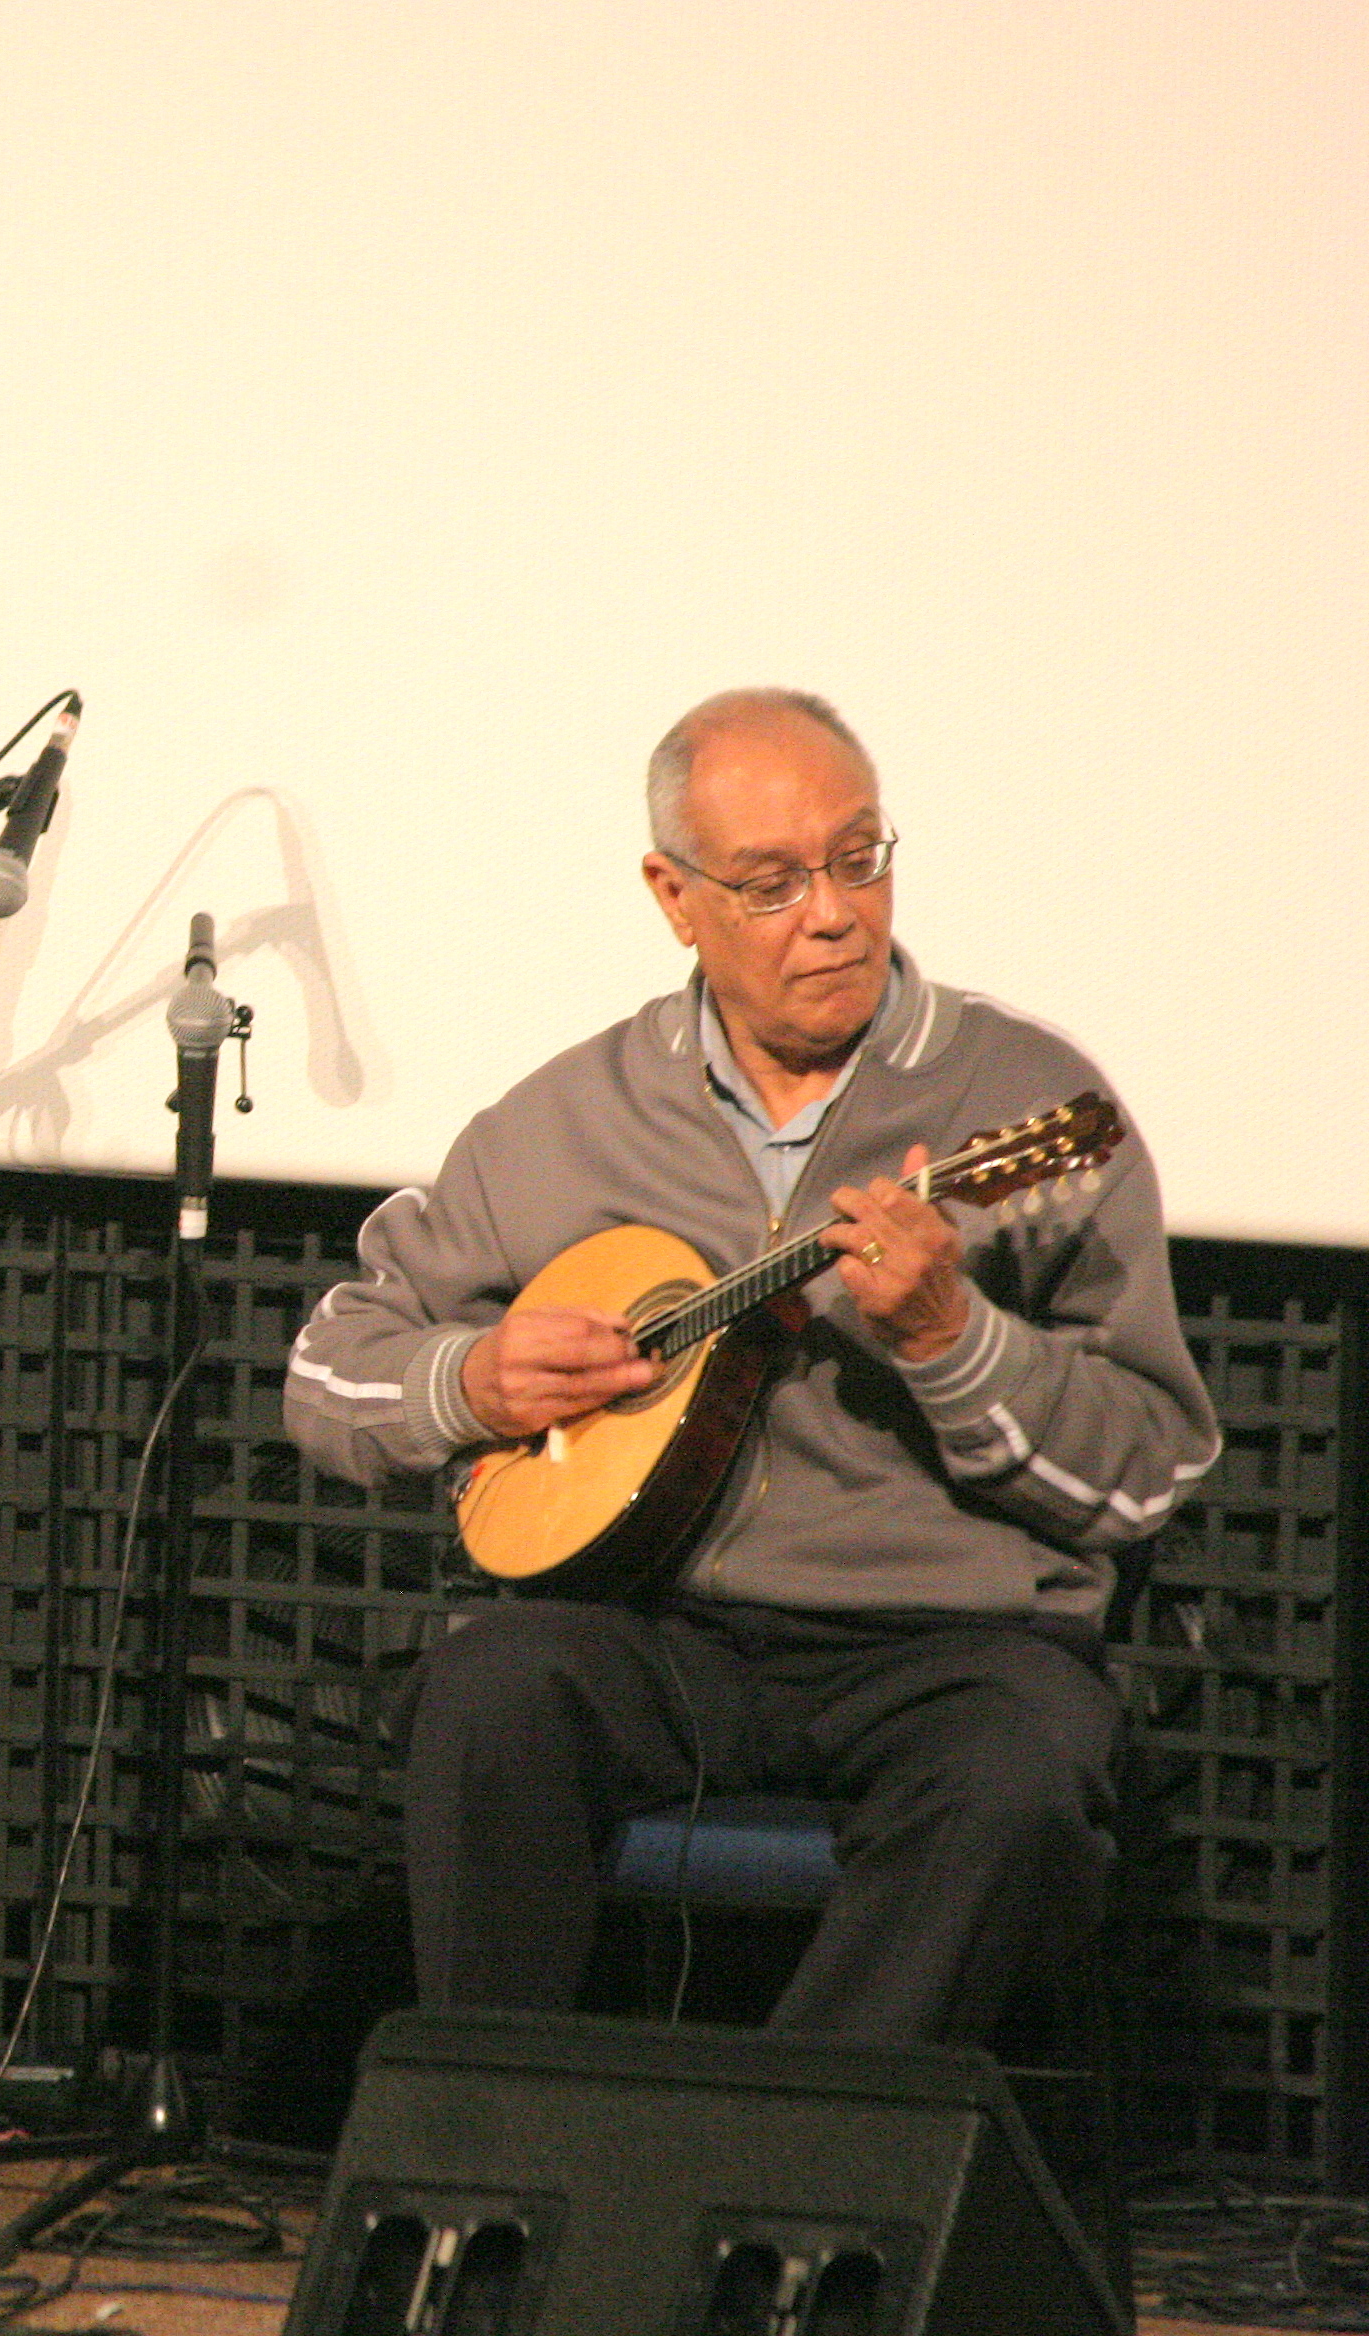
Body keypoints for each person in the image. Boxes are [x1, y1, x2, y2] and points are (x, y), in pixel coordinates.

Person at [283, 687, 1217, 2046]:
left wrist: (956, 1345)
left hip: (957, 1648)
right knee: (490, 1696)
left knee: (1017, 1780)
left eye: (860, 859)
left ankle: (788, 2179)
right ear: (675, 896)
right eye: (774, 883)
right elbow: (328, 1371)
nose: (833, 913)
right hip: (662, 1638)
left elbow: (1152, 1468)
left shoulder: (1022, 1103)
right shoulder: (567, 1119)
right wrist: (471, 1381)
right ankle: (508, 2158)